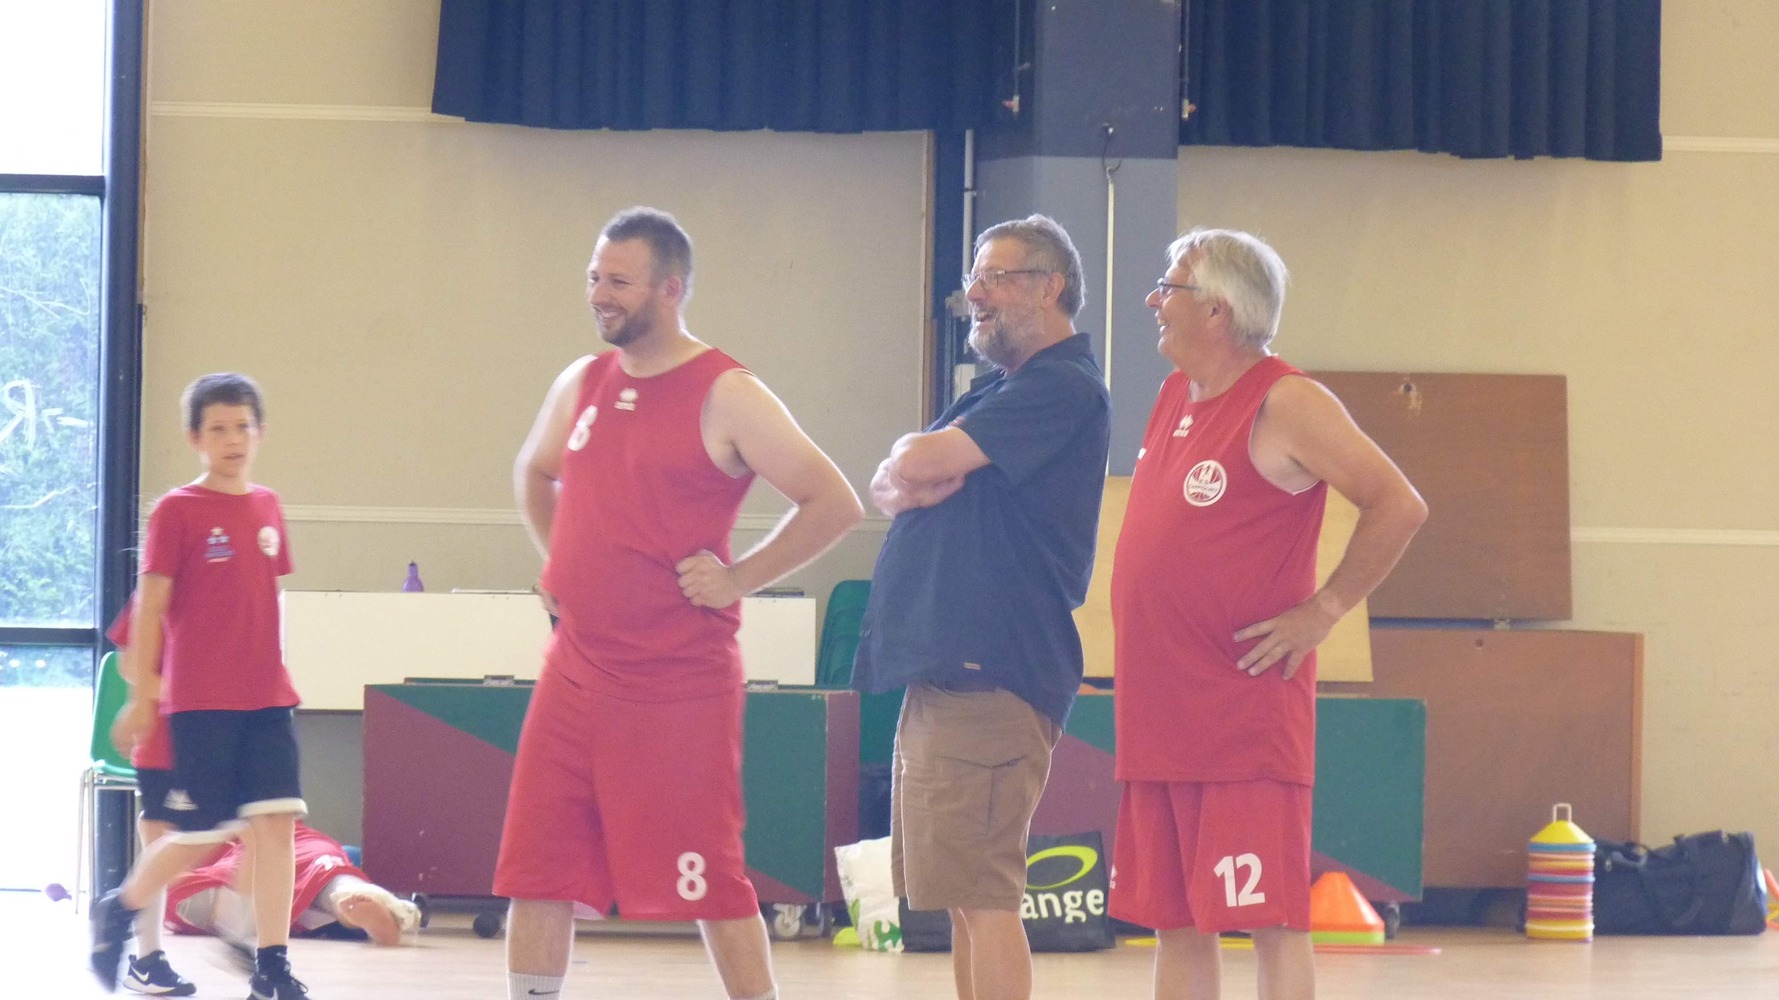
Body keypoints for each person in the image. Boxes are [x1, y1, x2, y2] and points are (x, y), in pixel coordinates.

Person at [497, 206, 863, 1000]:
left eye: (618, 281)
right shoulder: (582, 381)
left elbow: (833, 501)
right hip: (575, 669)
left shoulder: (727, 392)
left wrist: (740, 576)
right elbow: (534, 470)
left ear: (670, 289)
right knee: (537, 867)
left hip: (677, 681)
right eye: (594, 277)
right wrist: (560, 562)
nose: (599, 294)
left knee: (710, 878)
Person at [1107, 229, 1427, 1000]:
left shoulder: (1288, 401)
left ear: (1216, 309)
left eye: (1168, 287)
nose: (1153, 300)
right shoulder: (1174, 394)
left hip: (1240, 712)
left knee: (1272, 921)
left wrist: (1325, 609)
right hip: (1157, 711)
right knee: (1174, 921)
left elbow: (1398, 503)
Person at [852, 214, 1111, 1000]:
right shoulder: (998, 390)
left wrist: (919, 463)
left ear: (1049, 286)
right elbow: (889, 483)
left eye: (995, 277)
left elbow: (916, 461)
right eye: (974, 278)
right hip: (950, 675)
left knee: (984, 897)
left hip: (993, 674)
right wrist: (914, 467)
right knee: (960, 898)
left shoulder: (1060, 387)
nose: (976, 294)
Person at [93, 372, 312, 1000]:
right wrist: (143, 700)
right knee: (202, 837)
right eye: (218, 428)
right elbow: (150, 611)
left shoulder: (268, 506)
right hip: (201, 704)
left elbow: (262, 599)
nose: (233, 439)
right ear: (195, 438)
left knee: (277, 824)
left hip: (267, 697)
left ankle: (272, 965)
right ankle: (120, 907)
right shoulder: (177, 511)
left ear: (260, 432)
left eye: (243, 426)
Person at [104, 600, 198, 997]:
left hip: (207, 745)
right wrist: (182, 693)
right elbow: (129, 665)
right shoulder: (151, 596)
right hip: (162, 746)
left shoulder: (212, 599)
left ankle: (252, 944)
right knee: (160, 841)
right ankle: (147, 957)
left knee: (210, 838)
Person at [164, 821, 420, 948]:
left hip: (266, 854)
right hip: (266, 854)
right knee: (324, 875)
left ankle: (355, 902)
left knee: (323, 875)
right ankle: (353, 901)